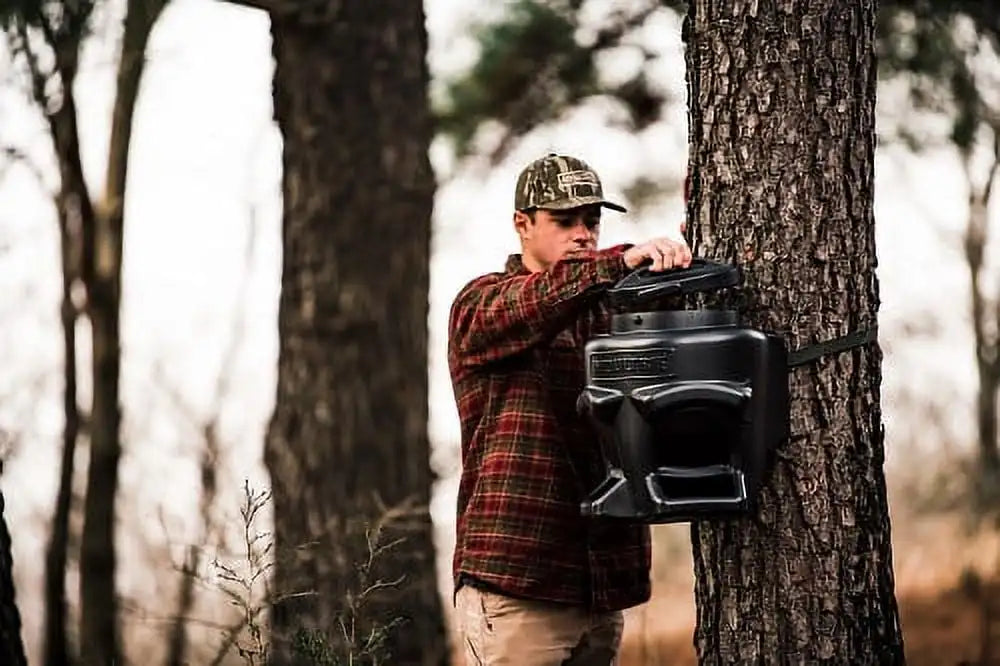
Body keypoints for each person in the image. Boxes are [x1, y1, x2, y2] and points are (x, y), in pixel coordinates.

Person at [447, 153, 693, 665]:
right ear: (523, 224)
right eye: (564, 220)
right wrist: (618, 260)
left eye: (592, 221)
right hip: (517, 586)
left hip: (602, 588)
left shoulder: (612, 311)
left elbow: (678, 347)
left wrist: (696, 239)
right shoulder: (482, 304)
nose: (583, 233)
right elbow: (537, 302)